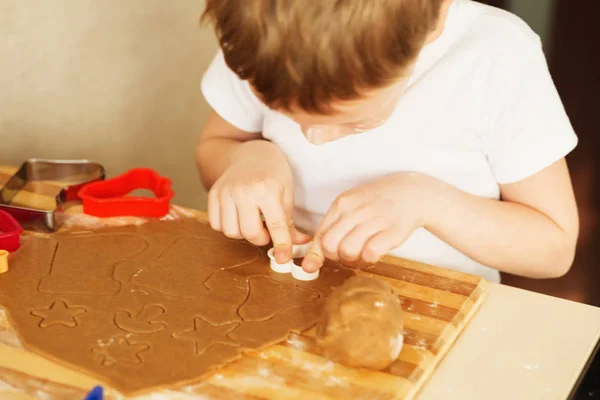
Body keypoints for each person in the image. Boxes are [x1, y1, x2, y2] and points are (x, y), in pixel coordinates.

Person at [196, 0, 579, 283]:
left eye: (354, 122)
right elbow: (216, 144)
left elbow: (553, 249)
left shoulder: (497, 57)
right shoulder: (266, 37)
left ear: (435, 22)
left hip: (439, 306)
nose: (314, 139)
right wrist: (245, 158)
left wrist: (428, 201)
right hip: (282, 293)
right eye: (284, 115)